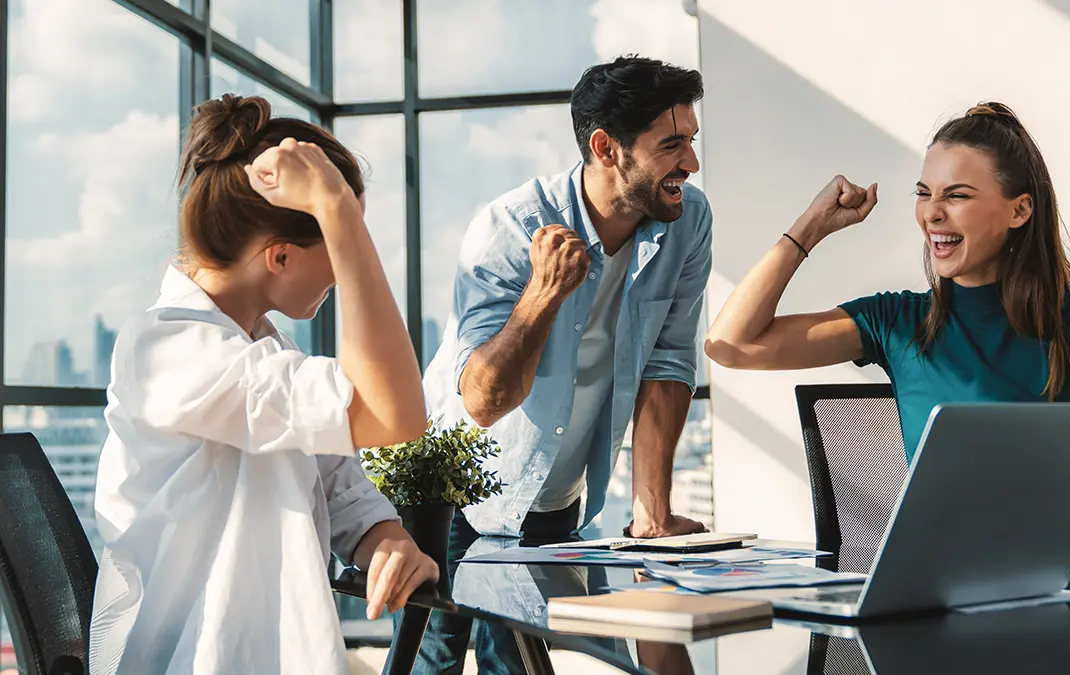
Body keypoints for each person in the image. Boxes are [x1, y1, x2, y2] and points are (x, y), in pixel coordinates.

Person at [706, 101, 1070, 551]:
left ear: (1019, 211)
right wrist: (810, 227)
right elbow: (731, 345)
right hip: (936, 580)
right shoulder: (896, 321)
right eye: (924, 193)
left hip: (1056, 571)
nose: (932, 212)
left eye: (957, 195)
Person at [88, 94, 438, 675]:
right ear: (278, 257)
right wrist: (338, 210)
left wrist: (384, 536)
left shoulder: (263, 349)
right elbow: (393, 413)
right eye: (337, 244)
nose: (344, 270)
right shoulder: (171, 351)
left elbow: (334, 480)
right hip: (195, 660)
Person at [418, 55, 711, 673]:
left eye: (691, 141)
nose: (690, 162)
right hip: (453, 491)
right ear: (606, 147)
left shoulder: (688, 222)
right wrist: (542, 295)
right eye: (672, 145)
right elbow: (482, 400)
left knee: (523, 664)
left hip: (558, 494)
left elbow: (669, 360)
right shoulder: (509, 228)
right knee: (432, 660)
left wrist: (651, 511)